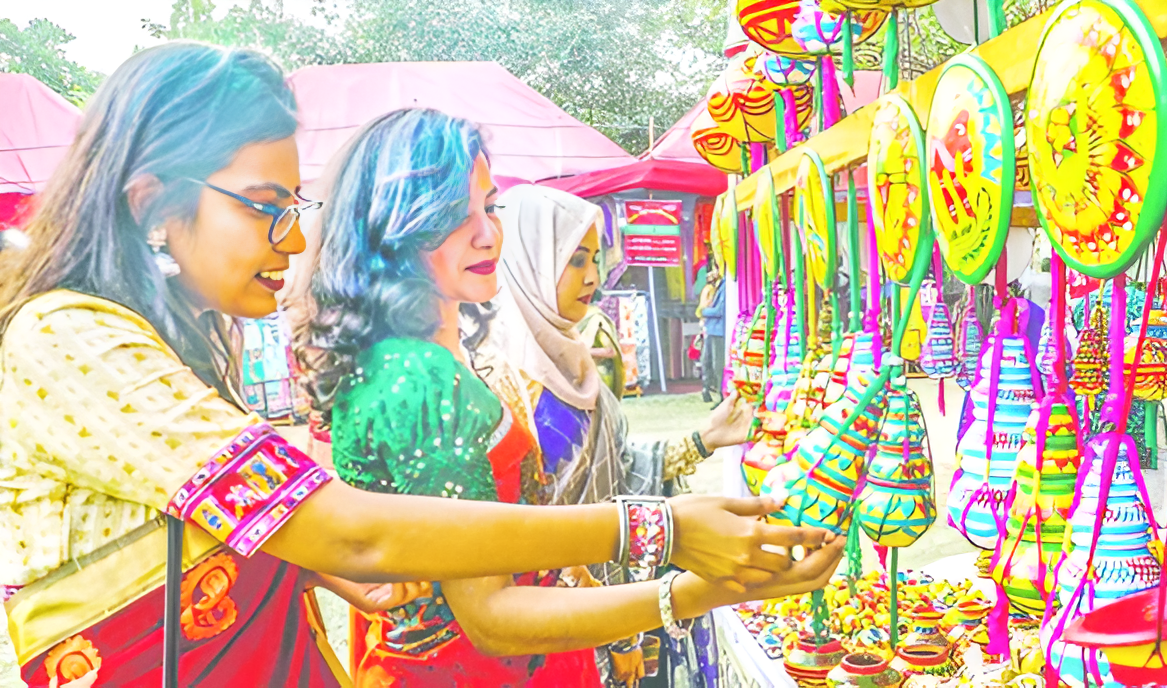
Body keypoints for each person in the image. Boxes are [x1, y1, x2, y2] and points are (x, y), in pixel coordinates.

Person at [0, 43, 837, 686]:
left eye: (295, 207)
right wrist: (664, 535)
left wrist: (309, 564)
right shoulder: (71, 339)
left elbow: (237, 532)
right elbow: (354, 528)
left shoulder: (179, 340)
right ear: (152, 202)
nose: (293, 236)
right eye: (264, 207)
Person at [299, 109, 845, 686]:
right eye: (454, 216)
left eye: (489, 207)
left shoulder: (434, 356)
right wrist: (695, 591)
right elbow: (490, 615)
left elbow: (530, 527)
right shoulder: (417, 377)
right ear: (393, 228)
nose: (487, 235)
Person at [489, 185, 757, 686]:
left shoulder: (569, 359)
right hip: (556, 627)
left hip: (604, 609)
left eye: (596, 259)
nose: (593, 276)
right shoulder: (508, 383)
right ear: (529, 261)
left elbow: (618, 468)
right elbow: (540, 533)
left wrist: (704, 438)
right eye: (575, 260)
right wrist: (619, 637)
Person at [698, 267, 727, 405]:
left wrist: (704, 311)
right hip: (711, 329)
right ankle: (708, 389)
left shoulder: (725, 286)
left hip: (718, 330)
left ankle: (721, 394)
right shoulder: (717, 286)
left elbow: (719, 310)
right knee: (706, 361)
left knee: (717, 364)